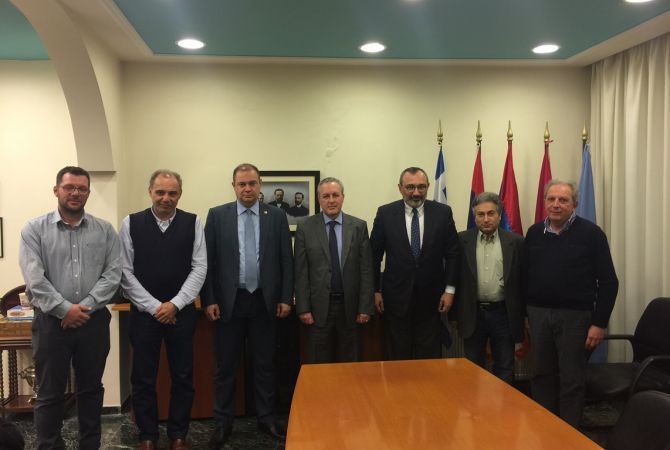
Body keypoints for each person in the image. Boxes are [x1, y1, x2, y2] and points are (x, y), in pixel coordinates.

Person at [18, 166, 121, 450]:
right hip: (51, 323)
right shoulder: (34, 230)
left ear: (88, 192)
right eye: (69, 187)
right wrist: (64, 310)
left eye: (82, 188)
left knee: (91, 390)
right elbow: (35, 279)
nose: (76, 193)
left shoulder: (105, 230)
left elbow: (113, 274)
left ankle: (90, 445)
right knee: (49, 393)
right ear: (56, 190)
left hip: (93, 322)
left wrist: (81, 309)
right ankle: (49, 446)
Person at [201, 163, 293, 448]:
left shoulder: (276, 216)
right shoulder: (218, 216)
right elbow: (207, 262)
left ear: (260, 184)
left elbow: (286, 260)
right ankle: (222, 423)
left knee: (265, 364)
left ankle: (266, 418)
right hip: (230, 301)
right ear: (233, 186)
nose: (247, 189)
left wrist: (285, 297)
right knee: (226, 366)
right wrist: (209, 299)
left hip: (265, 301)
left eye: (252, 183)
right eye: (242, 184)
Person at [119, 170, 207, 450]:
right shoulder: (131, 223)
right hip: (144, 315)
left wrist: (175, 304)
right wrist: (155, 306)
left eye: (172, 193)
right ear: (150, 192)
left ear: (180, 194)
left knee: (183, 375)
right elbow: (124, 271)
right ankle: (147, 435)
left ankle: (178, 434)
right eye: (160, 192)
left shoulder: (193, 223)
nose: (166, 198)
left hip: (181, 313)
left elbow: (200, 267)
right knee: (143, 377)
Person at [525, 179, 618, 427]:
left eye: (563, 200)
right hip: (538, 314)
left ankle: (568, 433)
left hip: (575, 318)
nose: (556, 204)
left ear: (574, 204)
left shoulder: (592, 234)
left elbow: (609, 282)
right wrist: (526, 316)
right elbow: (526, 276)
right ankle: (545, 427)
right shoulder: (533, 233)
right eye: (551, 199)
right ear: (545, 202)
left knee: (571, 378)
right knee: (540, 374)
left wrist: (599, 323)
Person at [370, 167, 459, 360]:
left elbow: (453, 254)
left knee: (429, 356)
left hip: (432, 300)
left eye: (421, 187)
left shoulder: (443, 213)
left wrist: (450, 290)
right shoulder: (385, 213)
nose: (416, 192)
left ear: (428, 186)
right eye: (410, 187)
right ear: (400, 188)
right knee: (397, 355)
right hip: (395, 299)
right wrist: (375, 290)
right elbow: (374, 256)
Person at [294, 178, 374, 363]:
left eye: (335, 195)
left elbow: (366, 270)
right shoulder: (305, 227)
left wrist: (365, 307)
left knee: (350, 362)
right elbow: (301, 271)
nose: (331, 200)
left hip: (350, 307)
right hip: (318, 309)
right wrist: (303, 308)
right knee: (319, 363)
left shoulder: (359, 226)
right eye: (326, 196)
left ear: (343, 197)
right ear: (319, 199)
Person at [453, 192, 524, 383]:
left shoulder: (516, 242)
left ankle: (503, 403)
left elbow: (522, 281)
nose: (486, 219)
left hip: (503, 314)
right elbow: (454, 277)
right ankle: (474, 404)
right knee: (472, 369)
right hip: (473, 314)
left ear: (499, 215)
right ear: (474, 216)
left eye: (491, 213)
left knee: (505, 367)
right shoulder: (461, 241)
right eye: (480, 214)